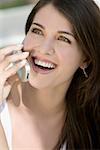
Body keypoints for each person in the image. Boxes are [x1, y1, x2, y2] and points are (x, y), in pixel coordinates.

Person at [0, 0, 100, 149]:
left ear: (85, 58)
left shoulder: (91, 126)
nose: (44, 49)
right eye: (38, 31)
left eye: (63, 39)